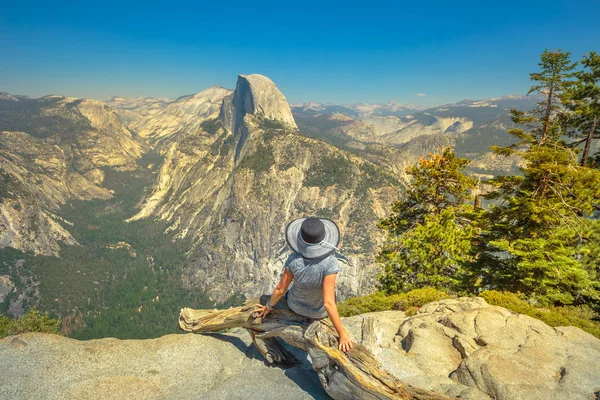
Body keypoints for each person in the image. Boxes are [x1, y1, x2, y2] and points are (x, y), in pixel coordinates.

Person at [253, 217, 354, 353]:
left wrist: (268, 307)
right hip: (318, 313)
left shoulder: (294, 259)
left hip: (295, 306)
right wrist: (342, 333)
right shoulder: (330, 263)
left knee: (289, 292)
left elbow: (280, 289)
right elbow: (328, 303)